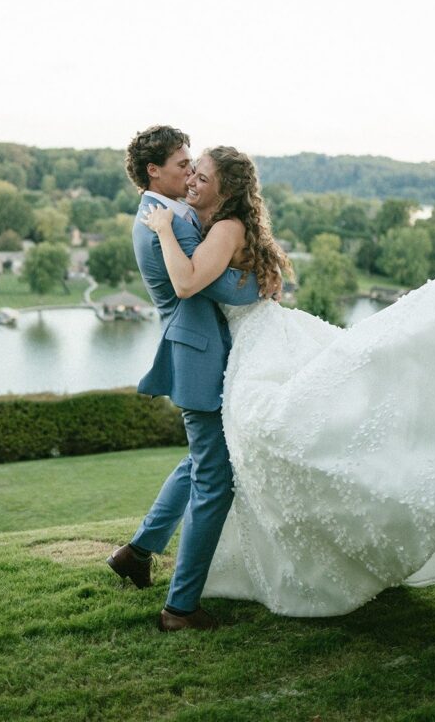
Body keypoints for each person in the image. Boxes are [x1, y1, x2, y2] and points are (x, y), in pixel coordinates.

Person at [142, 144, 435, 617]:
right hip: (252, 341)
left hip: (258, 342)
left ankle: (187, 588)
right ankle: (145, 550)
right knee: (221, 455)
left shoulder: (222, 228)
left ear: (226, 192)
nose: (192, 181)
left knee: (277, 432)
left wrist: (166, 230)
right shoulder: (210, 224)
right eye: (191, 174)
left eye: (202, 177)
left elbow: (188, 282)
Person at [107, 125, 269, 632]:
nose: (189, 172)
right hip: (198, 356)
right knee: (214, 480)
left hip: (199, 350)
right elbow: (215, 288)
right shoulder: (165, 223)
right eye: (182, 165)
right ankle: (180, 608)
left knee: (199, 460)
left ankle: (137, 553)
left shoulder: (170, 215)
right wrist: (258, 278)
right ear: (154, 171)